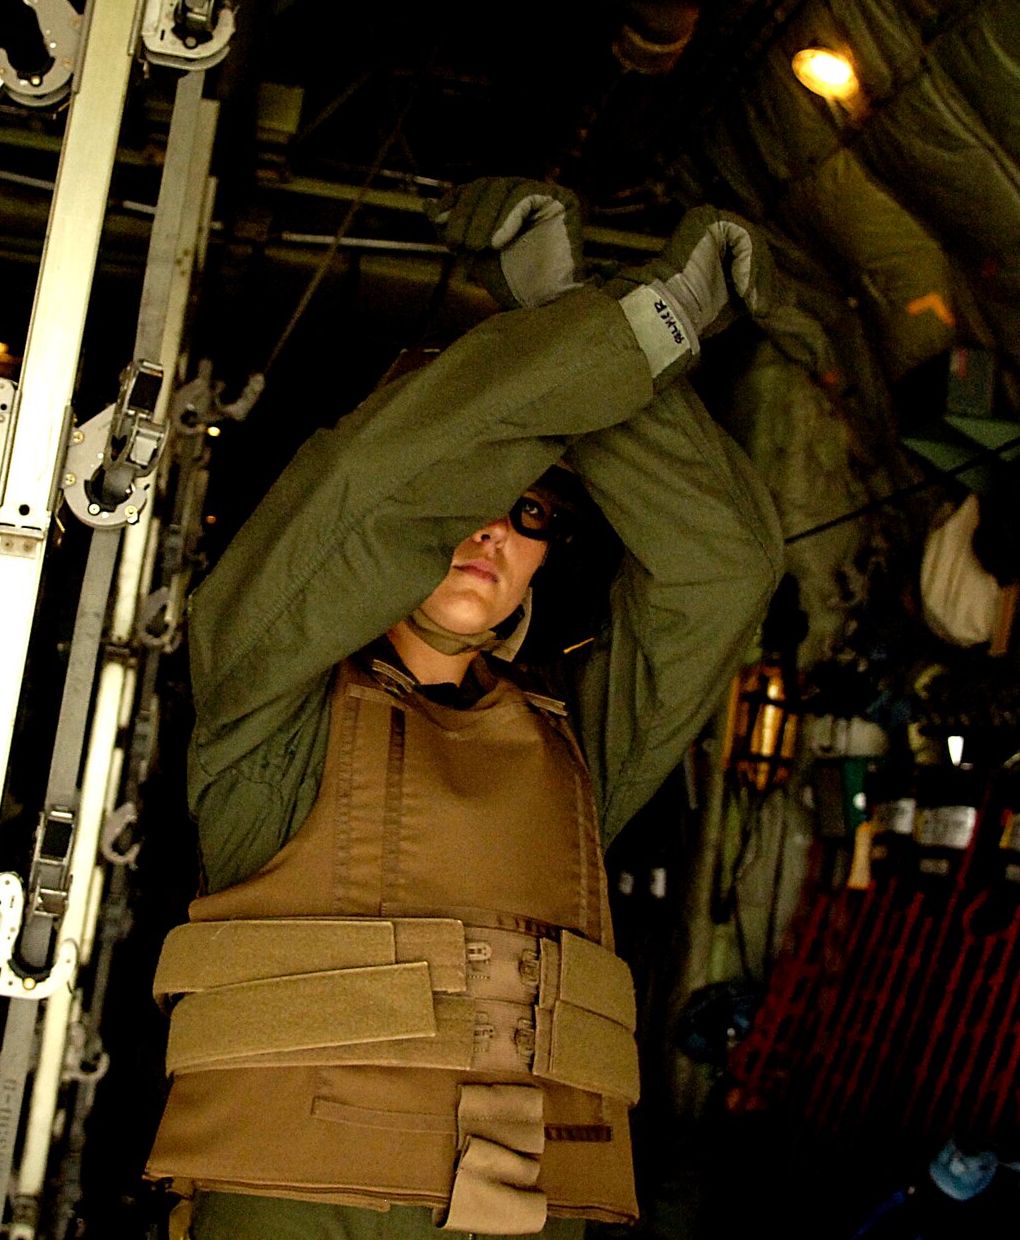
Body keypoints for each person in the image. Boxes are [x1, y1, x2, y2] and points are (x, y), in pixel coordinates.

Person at [145, 180, 786, 1237]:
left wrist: (571, 313)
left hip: (525, 1197)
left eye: (528, 509)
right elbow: (369, 489)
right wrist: (627, 329)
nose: (490, 532)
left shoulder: (570, 744)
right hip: (294, 1184)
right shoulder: (262, 692)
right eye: (467, 501)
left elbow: (722, 569)